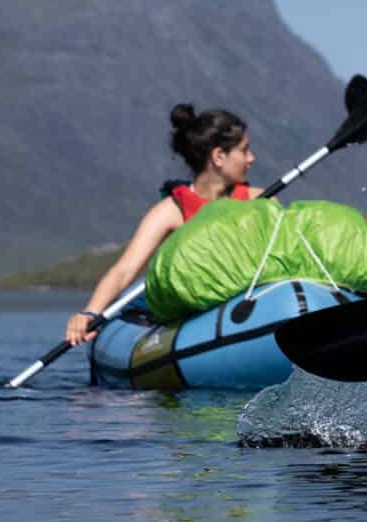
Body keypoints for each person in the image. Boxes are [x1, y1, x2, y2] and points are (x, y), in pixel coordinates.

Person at [64, 104, 260, 346]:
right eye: (244, 150)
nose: (251, 158)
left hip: (246, 306)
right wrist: (90, 313)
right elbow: (125, 270)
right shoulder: (170, 211)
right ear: (219, 156)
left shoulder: (260, 200)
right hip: (188, 315)